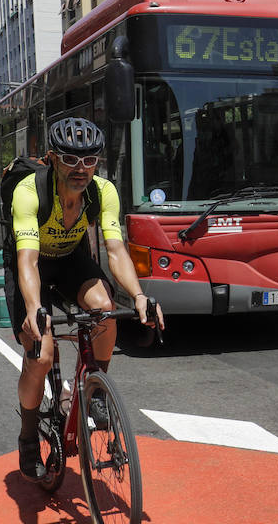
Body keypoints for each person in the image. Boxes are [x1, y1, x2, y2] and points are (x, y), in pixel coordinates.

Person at [10, 117, 163, 480]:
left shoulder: (102, 191)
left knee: (105, 309)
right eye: (71, 159)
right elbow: (28, 260)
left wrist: (139, 296)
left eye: (90, 160)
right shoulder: (29, 193)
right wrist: (34, 309)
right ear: (51, 159)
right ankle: (29, 435)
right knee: (41, 354)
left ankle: (95, 388)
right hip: (31, 267)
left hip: (69, 260)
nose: (81, 169)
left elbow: (115, 250)